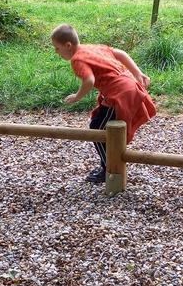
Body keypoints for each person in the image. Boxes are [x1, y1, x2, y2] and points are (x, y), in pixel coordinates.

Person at [50, 23, 156, 183]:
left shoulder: (77, 59)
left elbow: (89, 80)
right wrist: (137, 73)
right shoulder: (92, 48)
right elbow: (120, 54)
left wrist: (77, 97)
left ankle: (109, 169)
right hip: (127, 86)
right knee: (101, 123)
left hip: (120, 92)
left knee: (97, 129)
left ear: (68, 45)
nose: (56, 52)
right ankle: (109, 164)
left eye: (57, 48)